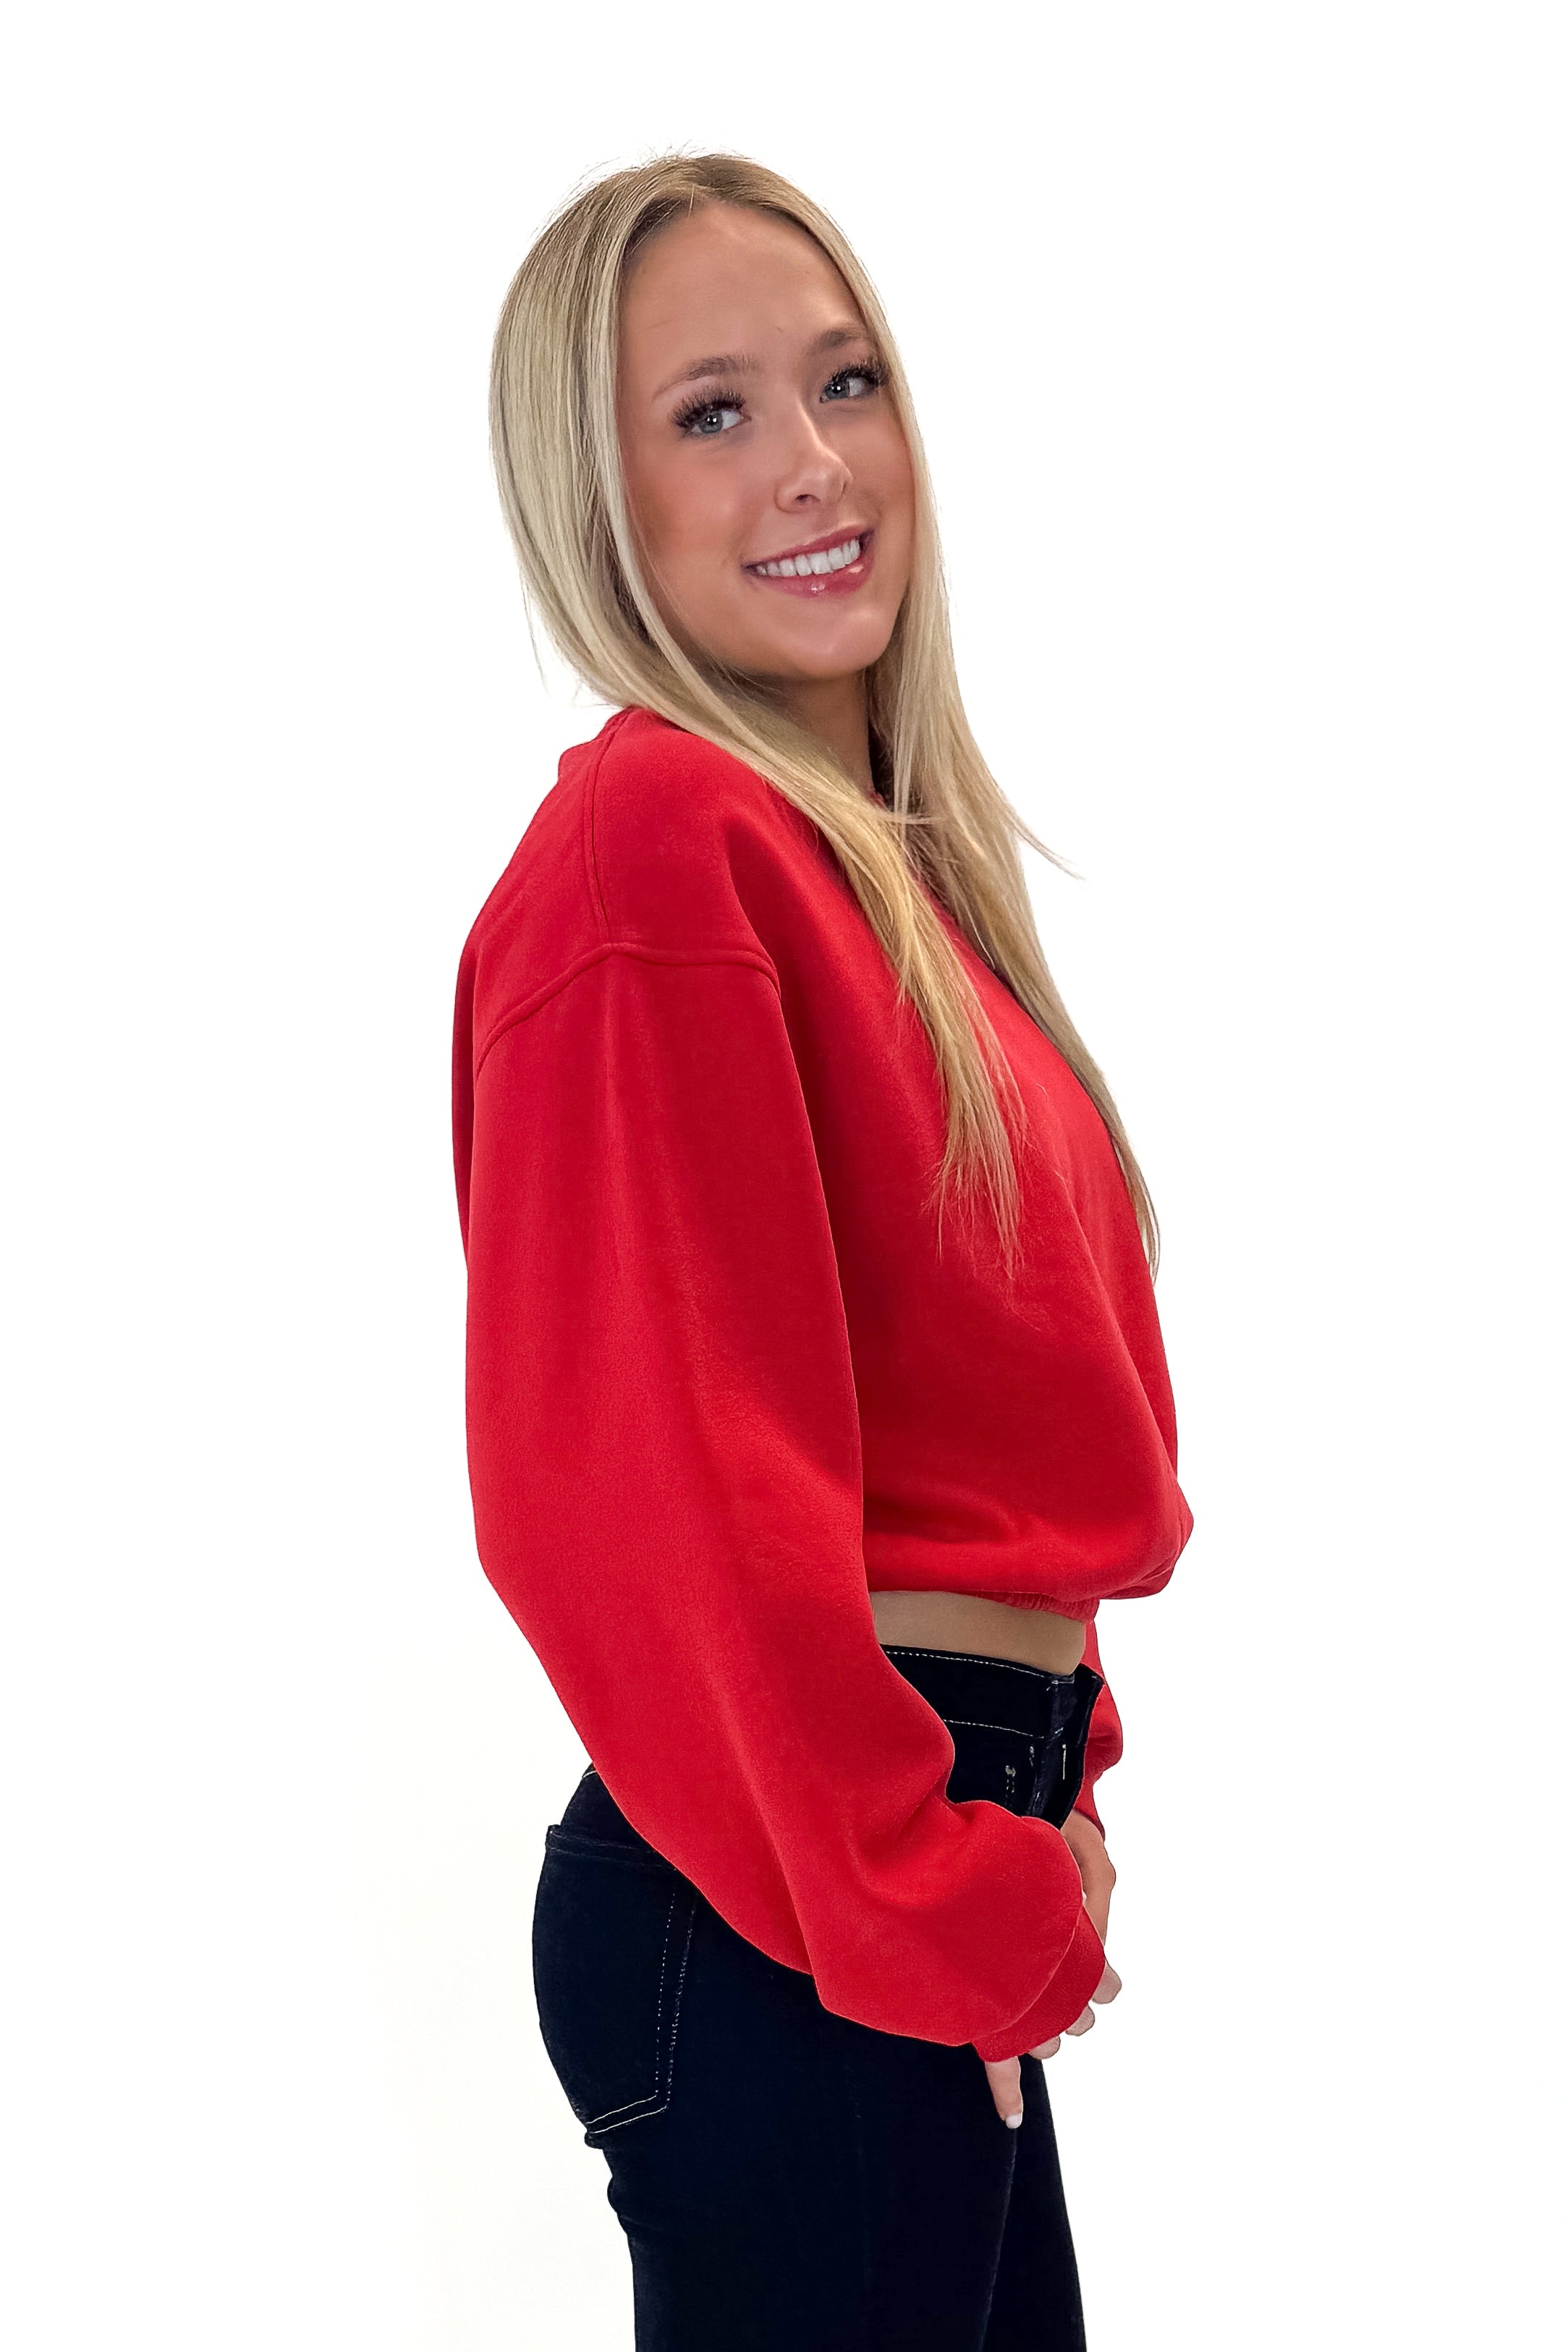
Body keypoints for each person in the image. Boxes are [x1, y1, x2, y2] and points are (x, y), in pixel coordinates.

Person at [452, 151, 1194, 2351]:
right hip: (797, 1886)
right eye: (710, 410)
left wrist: (1046, 1788)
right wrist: (919, 1872)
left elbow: (995, 1439)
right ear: (597, 495)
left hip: (896, 1847)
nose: (810, 464)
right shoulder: (653, 848)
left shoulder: (877, 878)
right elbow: (651, 1504)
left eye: (844, 380)